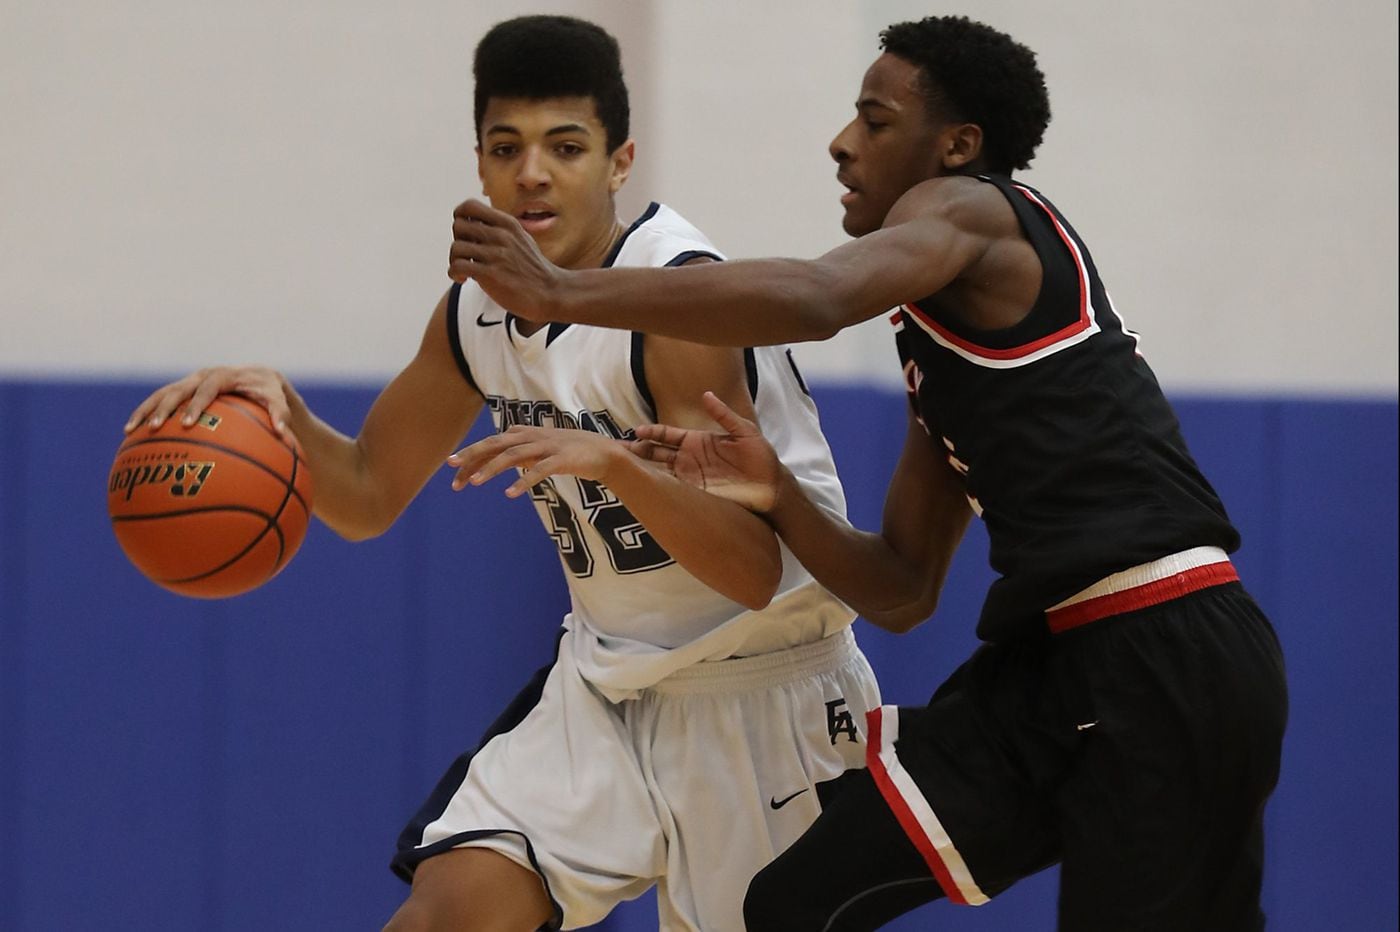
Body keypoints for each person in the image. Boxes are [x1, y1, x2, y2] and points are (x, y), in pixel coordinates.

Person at [444, 14, 1289, 932]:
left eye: (876, 121)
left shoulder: (976, 208)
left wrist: (562, 292)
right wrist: (777, 494)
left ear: (956, 146)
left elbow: (819, 297)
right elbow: (901, 589)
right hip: (1053, 669)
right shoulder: (942, 341)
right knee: (790, 903)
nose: (843, 143)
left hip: (1165, 644)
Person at [124, 14, 881, 932]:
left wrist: (614, 464)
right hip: (606, 688)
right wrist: (281, 416)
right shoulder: (475, 313)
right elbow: (365, 495)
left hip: (766, 691)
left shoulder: (676, 300)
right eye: (506, 147)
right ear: (479, 165)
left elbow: (755, 572)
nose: (532, 173)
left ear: (620, 161)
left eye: (566, 146)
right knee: (444, 915)